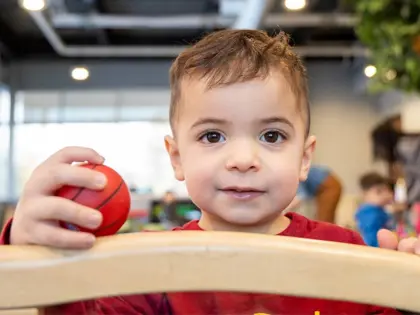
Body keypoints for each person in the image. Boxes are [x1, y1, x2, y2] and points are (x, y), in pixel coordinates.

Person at [1, 29, 419, 315]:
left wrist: (407, 294)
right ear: (176, 157)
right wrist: (38, 247)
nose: (242, 159)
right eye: (213, 136)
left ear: (304, 158)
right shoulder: (146, 266)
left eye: (272, 136)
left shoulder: (345, 251)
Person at [355, 172, 396, 247]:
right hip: (375, 247)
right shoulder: (369, 213)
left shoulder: (379, 210)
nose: (385, 195)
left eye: (387, 190)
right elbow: (371, 236)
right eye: (379, 192)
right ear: (365, 194)